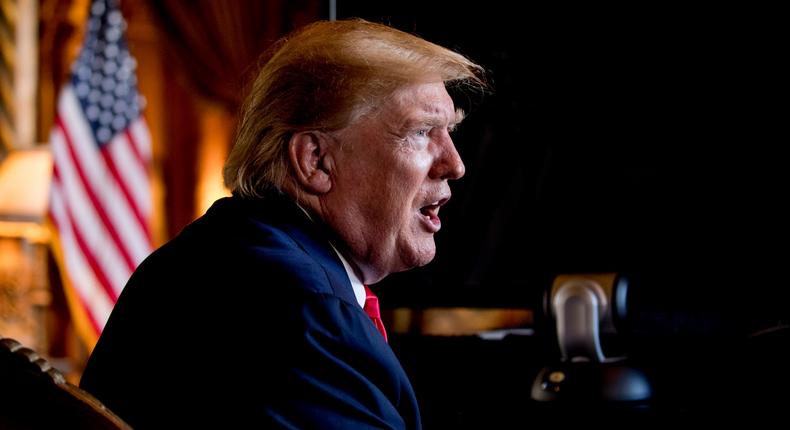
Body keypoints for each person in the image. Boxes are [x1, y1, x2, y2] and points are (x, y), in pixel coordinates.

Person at [79, 18, 486, 429]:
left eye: (449, 131)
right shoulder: (307, 310)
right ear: (315, 160)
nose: (455, 164)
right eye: (420, 132)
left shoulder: (221, 251)